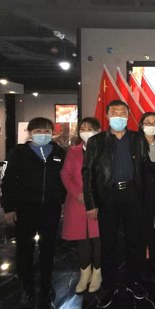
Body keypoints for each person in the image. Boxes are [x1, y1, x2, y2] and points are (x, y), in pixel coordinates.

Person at [82, 100, 150, 308]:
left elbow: (145, 167)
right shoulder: (96, 141)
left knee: (135, 241)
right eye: (114, 113)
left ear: (128, 116)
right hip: (108, 195)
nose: (118, 116)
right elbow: (88, 173)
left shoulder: (137, 139)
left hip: (133, 194)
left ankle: (134, 281)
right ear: (107, 116)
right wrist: (91, 203)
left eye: (122, 113)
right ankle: (109, 286)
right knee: (108, 242)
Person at [1, 117, 66, 305]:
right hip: (25, 208)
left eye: (46, 131)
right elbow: (7, 181)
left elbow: (64, 178)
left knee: (48, 248)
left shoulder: (59, 152)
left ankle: (46, 283)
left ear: (52, 133)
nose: (42, 134)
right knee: (25, 248)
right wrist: (9, 207)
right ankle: (27, 285)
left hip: (51, 209)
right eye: (38, 131)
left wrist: (61, 200)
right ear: (30, 133)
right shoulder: (17, 153)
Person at [61, 117, 102, 294]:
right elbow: (65, 174)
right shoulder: (73, 151)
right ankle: (84, 274)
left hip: (99, 202)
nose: (86, 131)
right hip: (78, 201)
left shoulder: (104, 149)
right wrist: (78, 193)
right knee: (83, 240)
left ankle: (98, 273)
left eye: (90, 128)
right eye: (83, 128)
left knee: (99, 240)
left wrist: (95, 196)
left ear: (98, 131)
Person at [139, 112, 155, 281]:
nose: (151, 126)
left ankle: (154, 261)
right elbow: (140, 165)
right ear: (141, 125)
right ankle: (142, 264)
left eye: (154, 123)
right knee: (143, 228)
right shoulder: (136, 142)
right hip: (141, 191)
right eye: (147, 122)